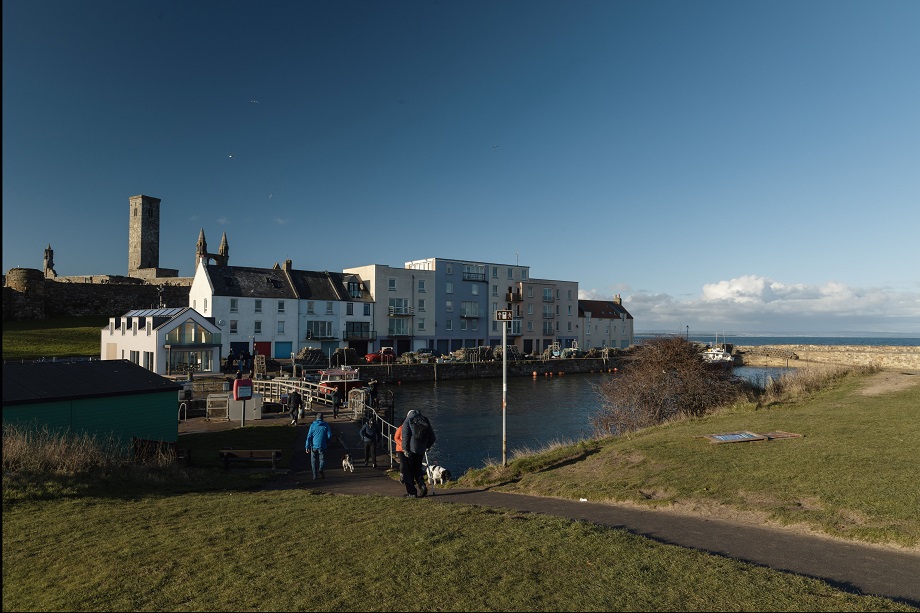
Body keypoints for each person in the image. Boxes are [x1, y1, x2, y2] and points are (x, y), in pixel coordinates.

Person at [401, 409, 436, 498]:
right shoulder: (425, 420)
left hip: (411, 450)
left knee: (408, 471)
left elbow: (405, 436)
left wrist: (405, 450)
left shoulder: (407, 420)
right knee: (417, 469)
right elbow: (432, 437)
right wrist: (427, 446)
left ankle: (412, 493)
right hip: (421, 450)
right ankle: (422, 485)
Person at [306, 412, 332, 480]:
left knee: (313, 461)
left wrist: (307, 446)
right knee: (322, 459)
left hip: (313, 446)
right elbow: (329, 435)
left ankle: (314, 476)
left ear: (316, 418)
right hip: (322, 445)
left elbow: (309, 436)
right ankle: (320, 469)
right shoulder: (325, 425)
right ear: (322, 418)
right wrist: (327, 442)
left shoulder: (312, 425)